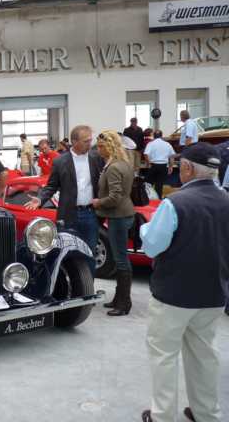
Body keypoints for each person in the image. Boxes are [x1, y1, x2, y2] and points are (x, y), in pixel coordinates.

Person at [139, 142, 229, 422]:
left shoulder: (175, 203)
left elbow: (152, 246)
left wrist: (146, 228)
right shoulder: (226, 200)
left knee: (164, 355)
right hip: (214, 293)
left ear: (188, 168)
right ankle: (206, 413)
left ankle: (163, 416)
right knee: (204, 354)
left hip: (173, 295)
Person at [25, 125, 104, 271]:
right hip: (69, 215)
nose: (90, 144)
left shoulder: (96, 158)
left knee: (90, 254)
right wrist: (40, 199)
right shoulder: (60, 161)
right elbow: (51, 186)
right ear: (74, 142)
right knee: (67, 255)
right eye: (86, 141)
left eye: (90, 140)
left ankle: (89, 284)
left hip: (90, 214)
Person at [91, 131, 135, 316]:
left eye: (101, 146)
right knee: (120, 258)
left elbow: (115, 197)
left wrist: (98, 202)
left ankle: (124, 303)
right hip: (123, 214)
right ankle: (119, 298)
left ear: (110, 146)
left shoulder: (114, 167)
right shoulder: (123, 163)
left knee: (121, 260)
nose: (98, 150)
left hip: (118, 216)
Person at [143, 130, 175, 199]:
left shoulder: (151, 144)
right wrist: (171, 167)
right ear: (161, 136)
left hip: (153, 165)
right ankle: (158, 200)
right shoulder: (167, 144)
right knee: (159, 185)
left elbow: (146, 154)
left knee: (148, 184)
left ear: (153, 136)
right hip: (164, 166)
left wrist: (148, 163)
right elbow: (172, 156)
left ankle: (147, 199)